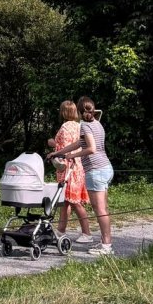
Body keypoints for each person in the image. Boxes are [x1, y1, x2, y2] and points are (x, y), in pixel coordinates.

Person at [51, 97, 113, 255]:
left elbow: (91, 149)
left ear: (78, 111)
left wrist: (72, 156)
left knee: (100, 209)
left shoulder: (84, 126)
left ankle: (106, 245)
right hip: (105, 167)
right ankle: (104, 242)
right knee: (102, 208)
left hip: (95, 169)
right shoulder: (97, 123)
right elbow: (80, 143)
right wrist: (60, 153)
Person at [46, 100, 92, 243]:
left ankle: (87, 233)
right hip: (79, 166)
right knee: (65, 201)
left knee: (74, 202)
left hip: (67, 167)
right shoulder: (80, 126)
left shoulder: (65, 127)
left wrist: (52, 143)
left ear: (63, 112)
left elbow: (65, 148)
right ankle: (61, 230)